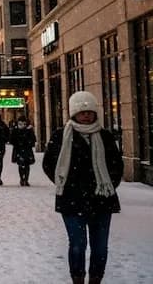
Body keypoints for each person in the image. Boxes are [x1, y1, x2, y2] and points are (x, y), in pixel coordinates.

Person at [42, 91, 123, 284]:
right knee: (78, 244)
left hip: (101, 200)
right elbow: (49, 164)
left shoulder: (104, 136)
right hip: (72, 200)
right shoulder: (62, 136)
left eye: (89, 111)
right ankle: (77, 278)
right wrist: (65, 183)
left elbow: (116, 165)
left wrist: (107, 184)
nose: (86, 115)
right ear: (74, 113)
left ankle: (96, 279)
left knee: (100, 246)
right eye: (82, 111)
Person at [10, 114, 37, 186]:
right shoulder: (16, 130)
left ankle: (25, 179)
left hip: (25, 149)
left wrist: (28, 142)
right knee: (21, 164)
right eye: (20, 123)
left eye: (23, 123)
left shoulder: (28, 129)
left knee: (26, 165)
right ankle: (23, 179)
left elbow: (33, 139)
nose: (22, 125)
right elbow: (12, 139)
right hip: (20, 149)